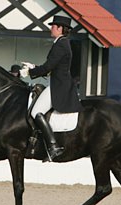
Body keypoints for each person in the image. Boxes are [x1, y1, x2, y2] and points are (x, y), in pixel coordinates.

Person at [20, 15, 82, 162]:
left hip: (59, 86)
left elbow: (48, 67)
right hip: (58, 82)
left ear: (60, 28)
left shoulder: (61, 44)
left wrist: (30, 72)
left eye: (53, 26)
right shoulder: (62, 42)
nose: (51, 28)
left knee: (36, 112)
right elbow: (52, 67)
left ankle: (53, 146)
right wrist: (34, 67)